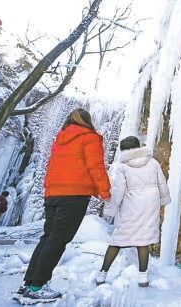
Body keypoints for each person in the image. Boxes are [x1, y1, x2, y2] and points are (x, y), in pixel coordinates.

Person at [16, 109, 111, 303]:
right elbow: (96, 166)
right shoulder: (90, 138)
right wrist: (105, 191)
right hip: (74, 196)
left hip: (53, 194)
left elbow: (53, 167)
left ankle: (29, 283)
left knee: (48, 237)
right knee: (58, 239)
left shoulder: (60, 138)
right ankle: (37, 286)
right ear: (87, 122)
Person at [95, 136, 171, 287]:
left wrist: (110, 209)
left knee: (118, 239)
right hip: (150, 203)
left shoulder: (123, 166)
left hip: (132, 204)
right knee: (143, 239)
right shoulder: (152, 162)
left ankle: (102, 274)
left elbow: (118, 191)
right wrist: (164, 200)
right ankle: (143, 277)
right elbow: (162, 182)